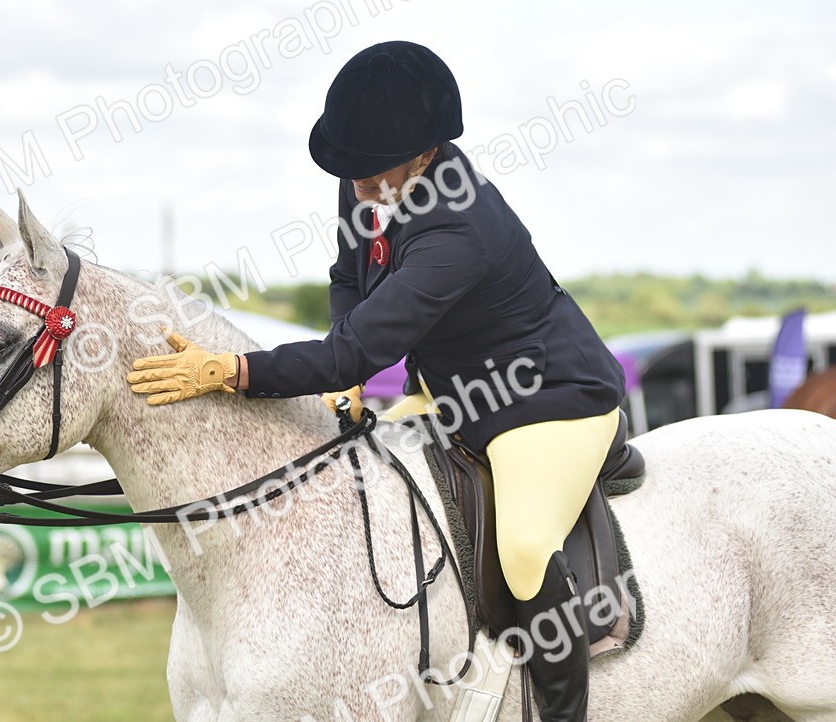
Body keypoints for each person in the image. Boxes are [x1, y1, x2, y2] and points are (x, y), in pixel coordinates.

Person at [126, 40, 625, 722]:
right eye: (350, 170)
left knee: (526, 548)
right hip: (451, 393)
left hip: (546, 399)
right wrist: (346, 382)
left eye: (368, 172)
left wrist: (232, 370)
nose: (356, 187)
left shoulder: (462, 229)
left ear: (423, 154)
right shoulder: (372, 175)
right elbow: (346, 283)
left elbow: (354, 348)